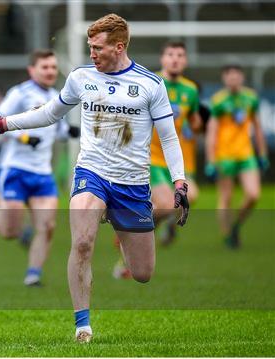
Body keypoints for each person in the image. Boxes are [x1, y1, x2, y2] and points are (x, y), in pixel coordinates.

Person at [0, 14, 189, 343]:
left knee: (142, 273)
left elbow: (169, 139)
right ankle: (82, 324)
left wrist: (179, 183)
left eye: (97, 48)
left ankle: (114, 218)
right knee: (82, 242)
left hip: (132, 184)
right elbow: (49, 113)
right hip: (92, 173)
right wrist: (4, 123)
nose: (91, 53)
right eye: (89, 47)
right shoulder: (81, 77)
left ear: (119, 46)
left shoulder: (150, 84)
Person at [0, 49, 79, 286]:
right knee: (11, 232)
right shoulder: (20, 93)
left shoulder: (56, 97)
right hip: (15, 169)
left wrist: (70, 132)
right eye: (45, 67)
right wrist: (23, 138)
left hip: (42, 173)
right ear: (32, 70)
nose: (50, 71)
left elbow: (56, 128)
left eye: (53, 67)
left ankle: (33, 275)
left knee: (48, 226)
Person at [113, 41, 201, 277]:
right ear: (163, 59)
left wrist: (195, 126)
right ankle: (130, 242)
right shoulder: (150, 82)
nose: (175, 59)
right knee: (165, 203)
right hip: (148, 156)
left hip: (171, 158)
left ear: (185, 61)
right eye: (170, 54)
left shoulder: (190, 90)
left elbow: (193, 119)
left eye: (180, 55)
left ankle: (133, 226)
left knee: (190, 196)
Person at [205, 65, 269, 248]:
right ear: (224, 79)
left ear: (242, 77)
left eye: (236, 75)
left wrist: (262, 153)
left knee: (253, 194)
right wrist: (210, 160)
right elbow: (212, 131)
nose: (233, 79)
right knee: (226, 197)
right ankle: (228, 235)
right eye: (229, 76)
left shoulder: (251, 98)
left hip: (246, 154)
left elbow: (257, 128)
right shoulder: (218, 100)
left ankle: (236, 226)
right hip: (225, 156)